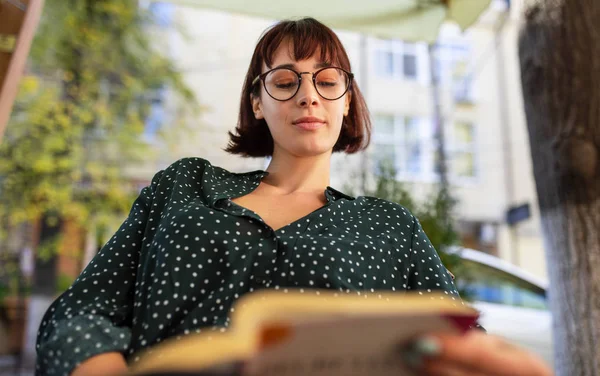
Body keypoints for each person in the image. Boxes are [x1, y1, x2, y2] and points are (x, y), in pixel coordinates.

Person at [35, 17, 552, 376]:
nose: (308, 94)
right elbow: (78, 312)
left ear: (347, 102)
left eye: (327, 81)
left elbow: (463, 342)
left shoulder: (390, 226)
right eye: (285, 81)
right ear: (257, 102)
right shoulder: (184, 186)